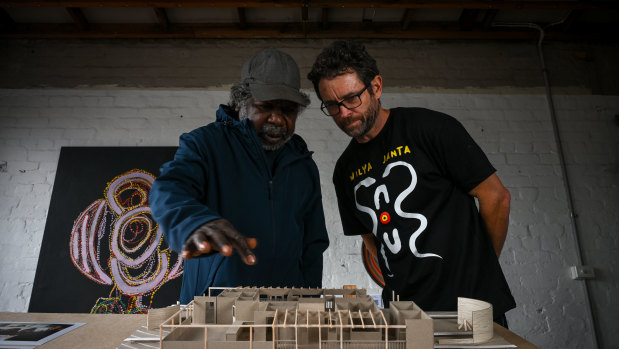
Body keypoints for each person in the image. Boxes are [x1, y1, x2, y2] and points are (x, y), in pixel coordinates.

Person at [307, 41, 515, 326]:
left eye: (351, 98)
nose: (343, 113)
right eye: (331, 105)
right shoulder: (344, 170)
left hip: (468, 303)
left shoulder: (430, 128)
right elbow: (370, 239)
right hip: (404, 314)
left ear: (376, 87)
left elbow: (496, 197)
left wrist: (480, 271)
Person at [150, 48, 330, 304]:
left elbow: (313, 244)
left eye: (288, 110)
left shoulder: (301, 163)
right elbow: (168, 190)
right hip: (214, 311)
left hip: (285, 314)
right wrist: (194, 223)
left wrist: (309, 299)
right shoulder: (205, 144)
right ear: (240, 103)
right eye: (265, 107)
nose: (278, 119)